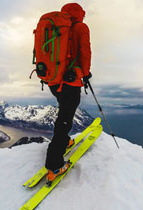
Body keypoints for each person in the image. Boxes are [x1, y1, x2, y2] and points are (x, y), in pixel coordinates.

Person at [45, 2, 92, 182]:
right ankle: (54, 164)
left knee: (63, 111)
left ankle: (64, 142)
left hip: (53, 80)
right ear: (79, 14)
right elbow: (85, 52)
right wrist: (85, 73)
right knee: (64, 120)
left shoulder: (55, 28)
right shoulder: (80, 27)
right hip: (70, 81)